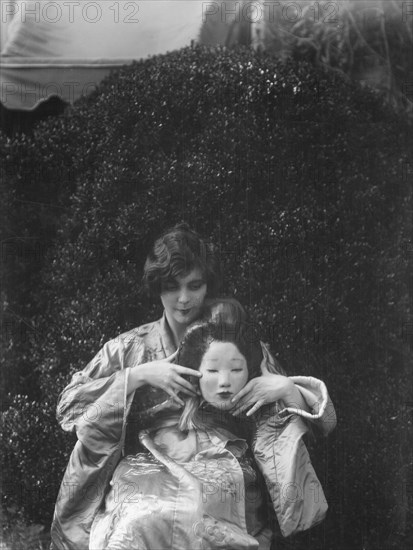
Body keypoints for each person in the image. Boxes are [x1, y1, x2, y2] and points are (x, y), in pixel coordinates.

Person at [50, 224, 336, 550]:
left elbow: (318, 425)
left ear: (207, 286)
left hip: (221, 463)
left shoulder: (236, 342)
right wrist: (137, 377)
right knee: (138, 520)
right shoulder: (130, 348)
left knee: (194, 513)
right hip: (148, 465)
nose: (184, 299)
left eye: (194, 286)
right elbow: (68, 408)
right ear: (157, 287)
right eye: (172, 287)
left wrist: (285, 389)